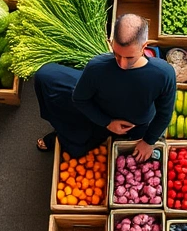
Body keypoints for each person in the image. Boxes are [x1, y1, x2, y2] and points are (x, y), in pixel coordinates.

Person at [34, 14, 176, 162]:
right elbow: (80, 99)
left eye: (129, 58)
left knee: (139, 157)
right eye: (116, 54)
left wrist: (148, 141)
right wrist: (107, 122)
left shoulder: (164, 74)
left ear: (144, 47)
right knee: (45, 77)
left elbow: (164, 114)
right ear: (111, 42)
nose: (121, 64)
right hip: (101, 115)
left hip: (138, 126)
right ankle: (61, 135)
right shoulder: (97, 66)